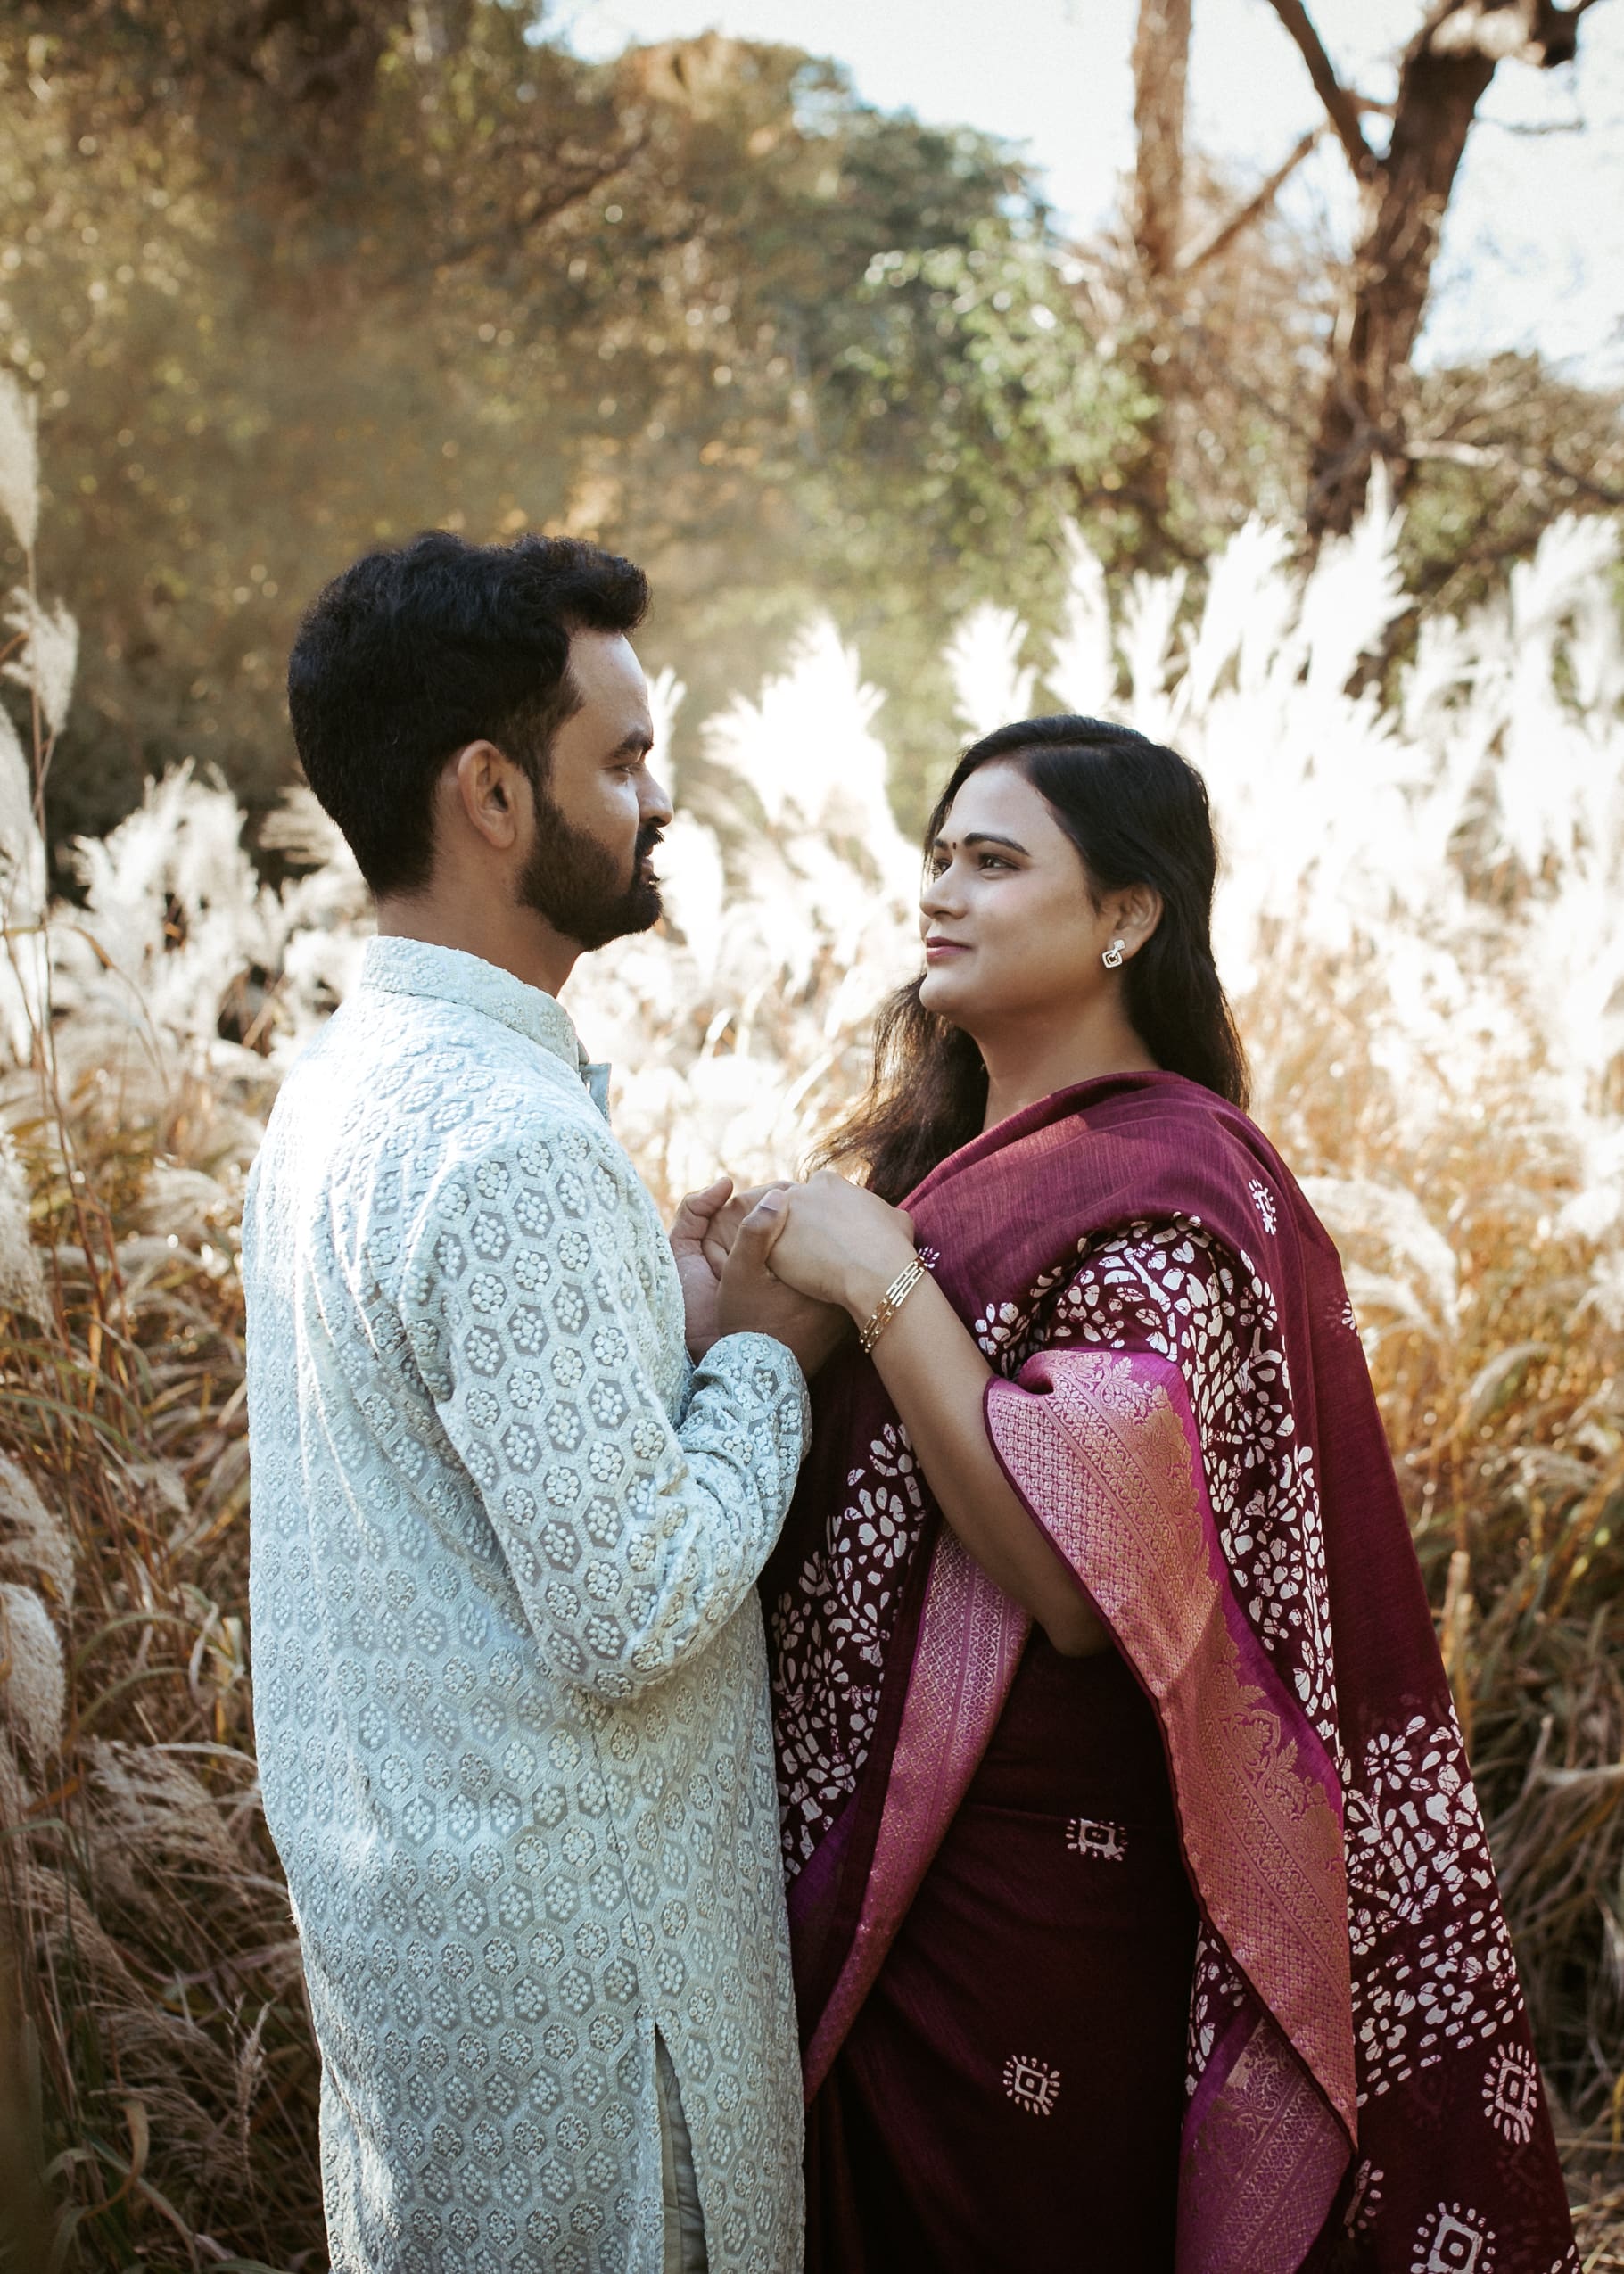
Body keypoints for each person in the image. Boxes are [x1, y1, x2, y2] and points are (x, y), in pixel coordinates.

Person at [719, 715, 1579, 2271]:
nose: (944, 891)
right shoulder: (948, 1173)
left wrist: (878, 1285)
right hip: (868, 1877)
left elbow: (1063, 1574)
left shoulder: (1171, 1184)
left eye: (995, 861)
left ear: (1127, 915)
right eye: (936, 858)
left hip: (1032, 1905)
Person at [243, 531, 841, 2274]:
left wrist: (650, 1315)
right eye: (624, 760)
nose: (660, 801)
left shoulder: (350, 1085)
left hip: (422, 1955)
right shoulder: (506, 1136)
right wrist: (761, 1355)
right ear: (491, 795)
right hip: (583, 1983)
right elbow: (634, 1600)